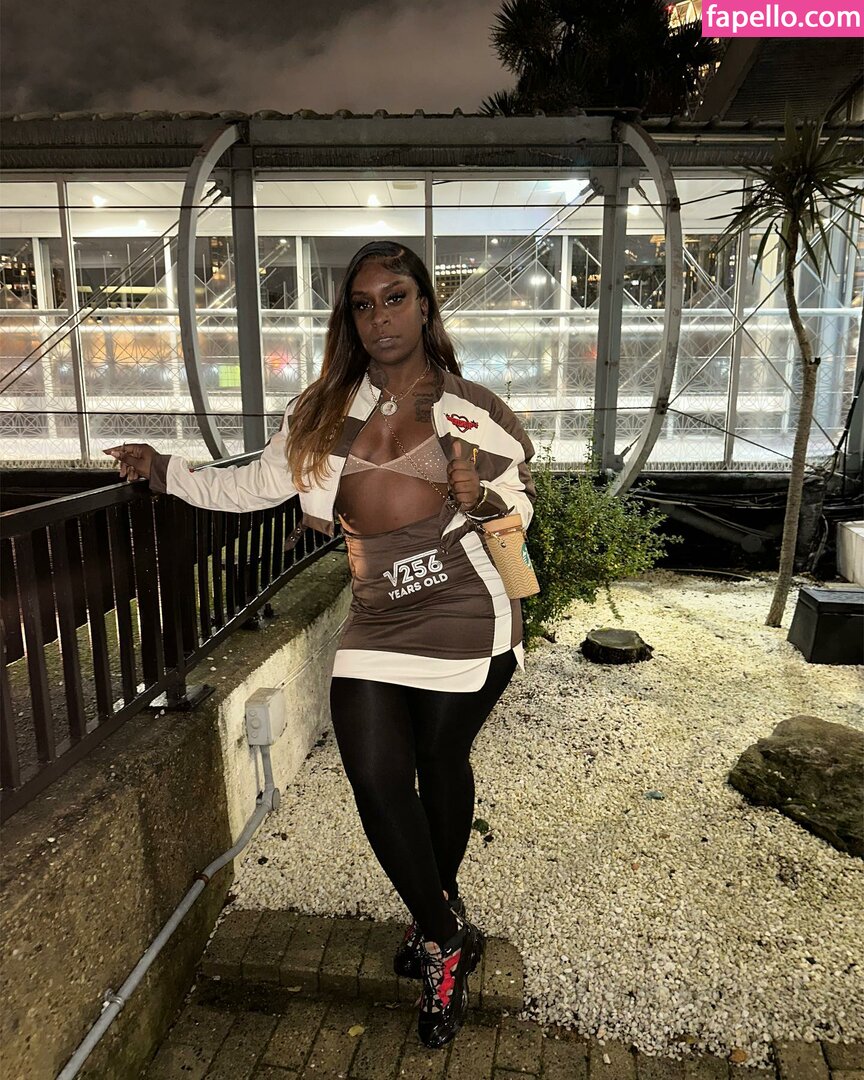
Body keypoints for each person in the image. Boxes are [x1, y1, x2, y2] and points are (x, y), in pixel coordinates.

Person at [105, 240, 536, 1049]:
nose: (381, 317)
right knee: (375, 775)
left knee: (440, 760)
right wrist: (167, 470)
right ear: (350, 319)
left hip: (465, 606)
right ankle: (448, 934)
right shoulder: (324, 410)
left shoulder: (469, 408)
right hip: (377, 613)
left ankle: (435, 920)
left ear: (425, 306)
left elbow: (521, 507)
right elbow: (252, 484)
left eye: (396, 297)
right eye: (364, 304)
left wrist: (479, 495)